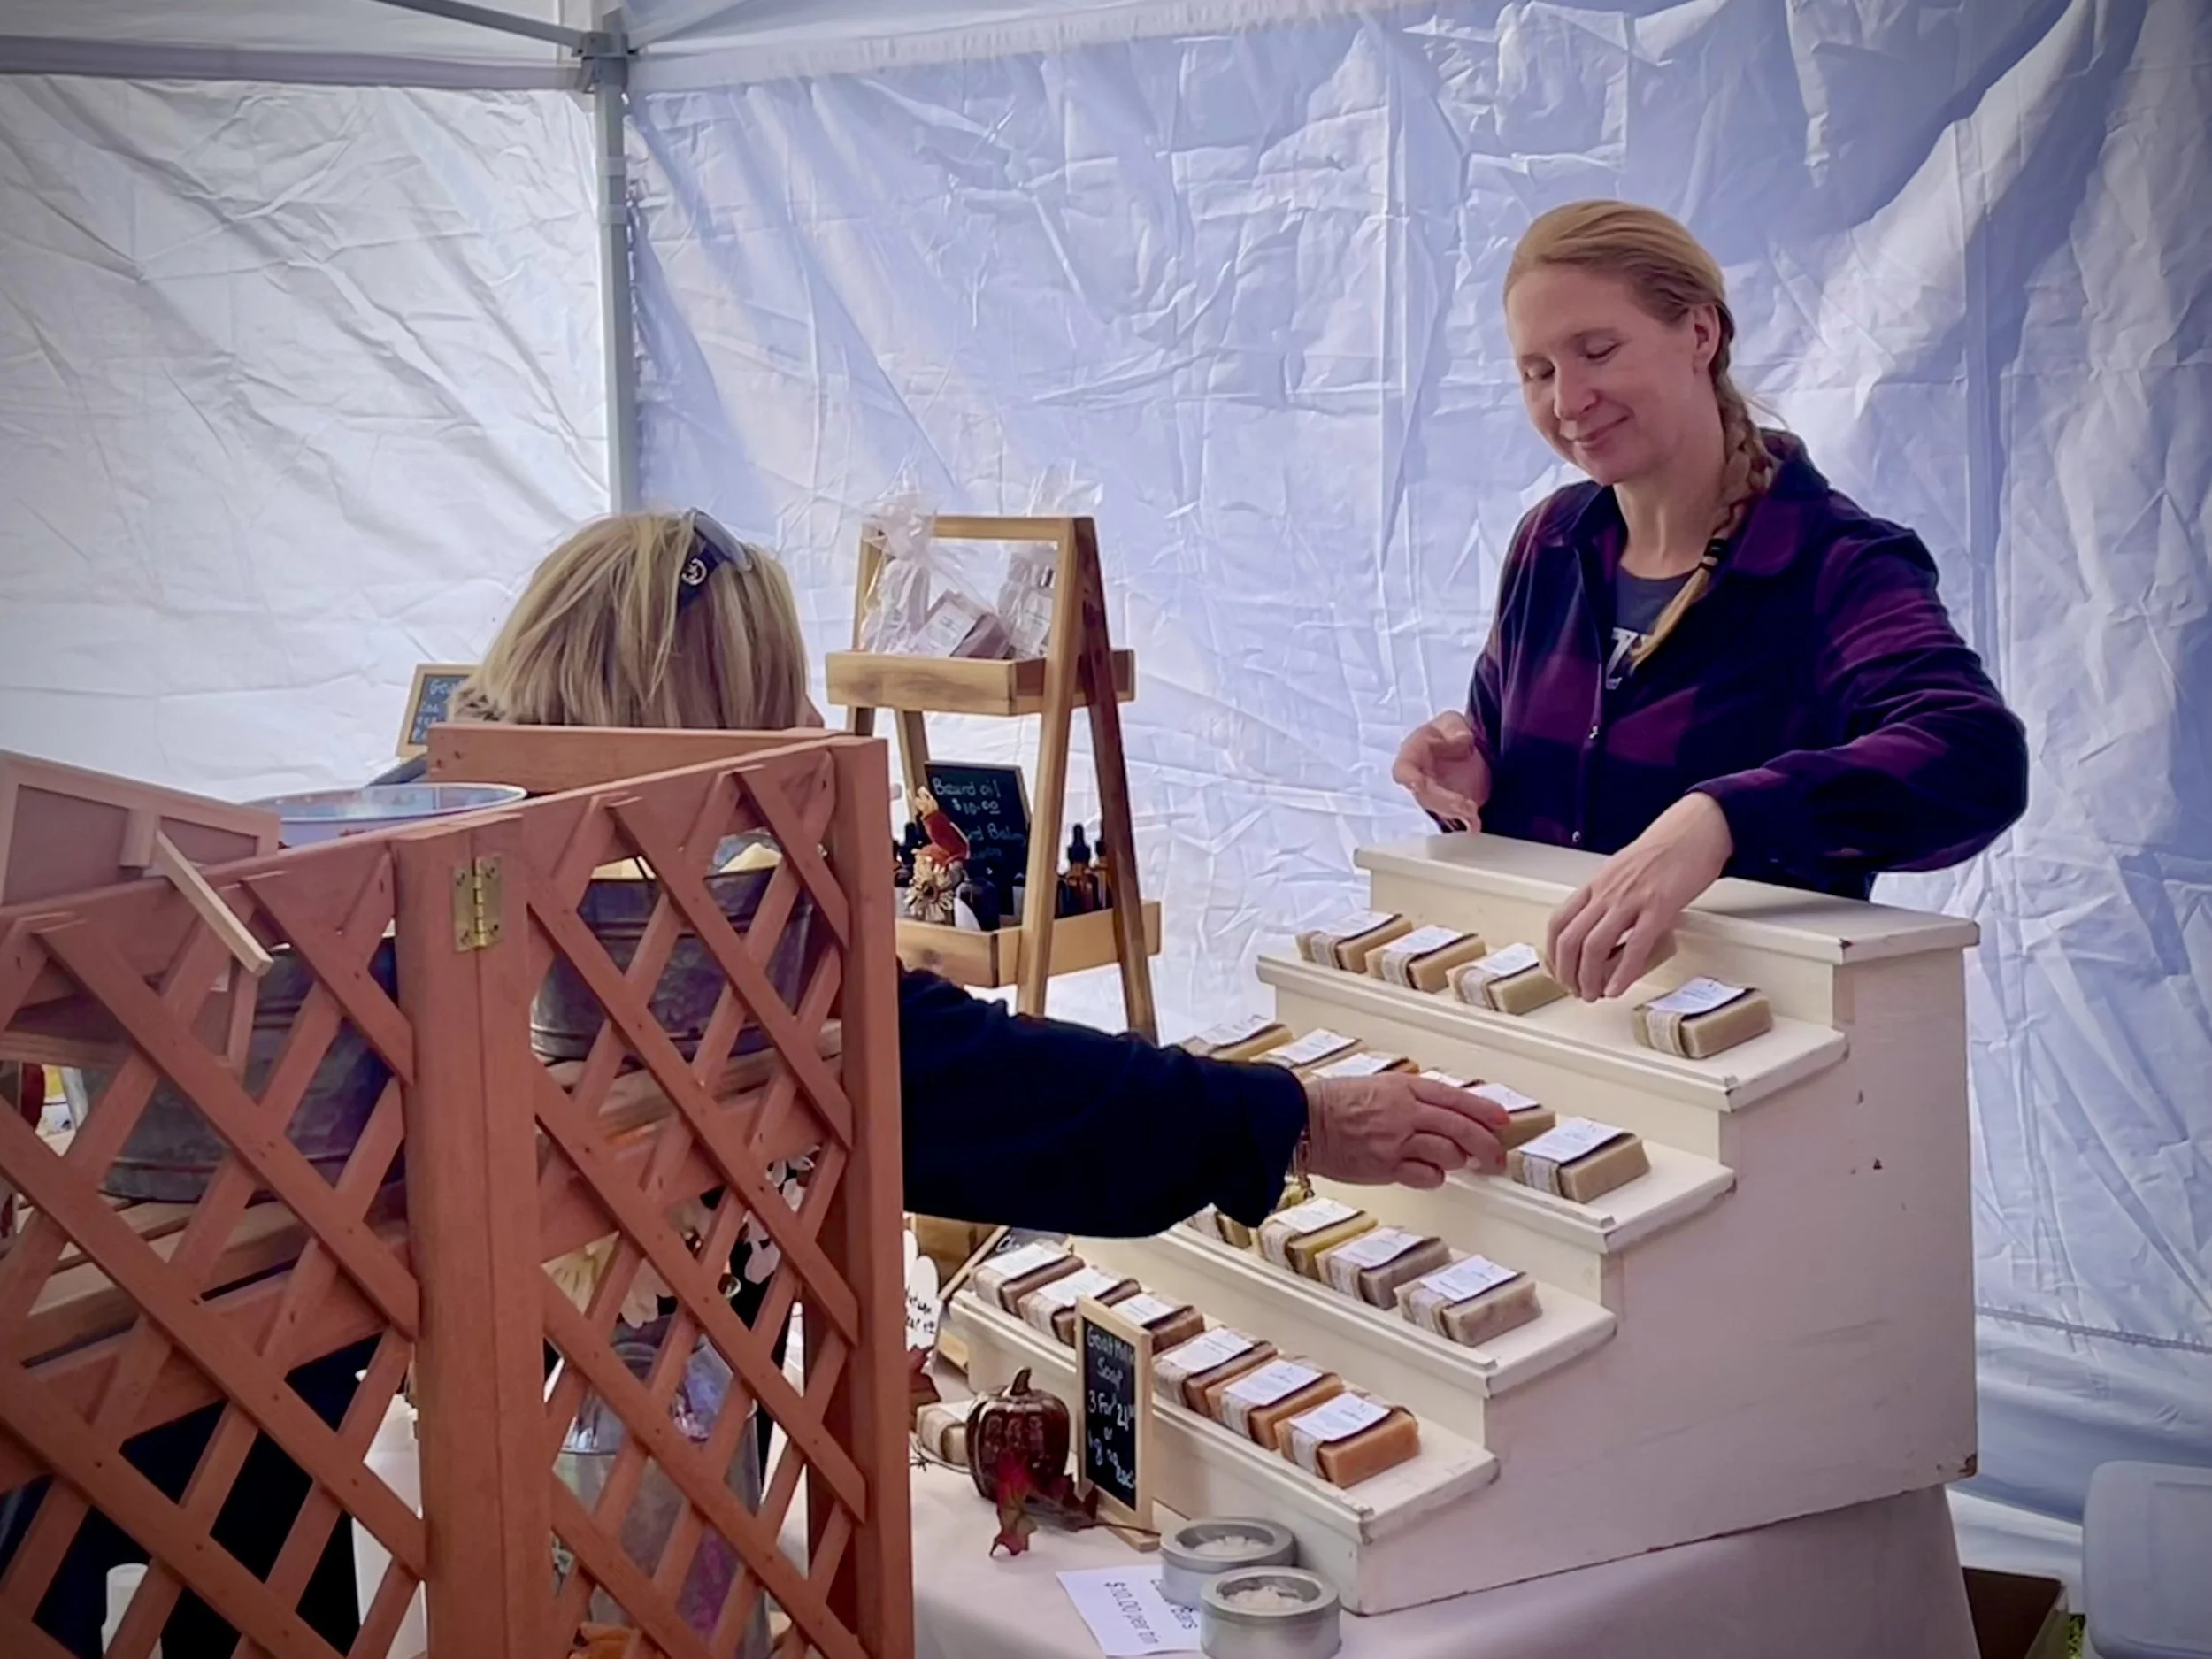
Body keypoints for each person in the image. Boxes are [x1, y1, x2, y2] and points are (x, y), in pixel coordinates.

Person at [446, 509, 1511, 1239]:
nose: (808, 730)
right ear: (692, 720)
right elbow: (997, 1093)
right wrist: (1292, 1118)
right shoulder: (682, 934)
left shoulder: (437, 849)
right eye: (773, 698)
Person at [1393, 200, 2028, 1002]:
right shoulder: (1550, 544)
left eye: (1598, 350)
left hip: (1741, 1060)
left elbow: (1976, 756)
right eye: (1538, 371)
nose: (1569, 399)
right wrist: (1477, 773)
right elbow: (1522, 792)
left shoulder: (1837, 563)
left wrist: (1725, 818)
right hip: (1549, 1039)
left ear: (1701, 334)